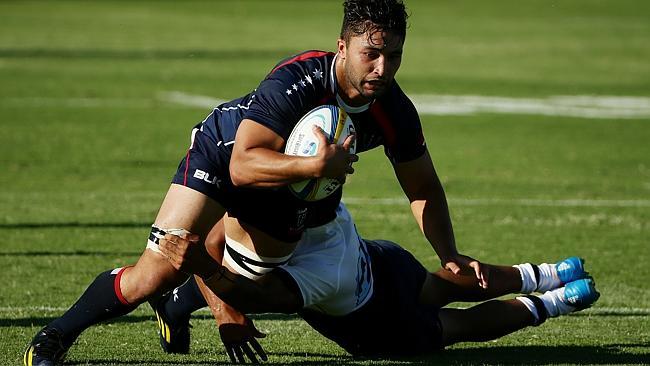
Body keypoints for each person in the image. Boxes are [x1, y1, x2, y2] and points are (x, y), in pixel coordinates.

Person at [24, 0, 487, 364]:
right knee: (156, 271)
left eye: (393, 56)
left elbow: (422, 187)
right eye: (371, 53)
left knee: (260, 274)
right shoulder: (298, 78)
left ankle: (180, 304)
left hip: (284, 182)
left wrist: (449, 255)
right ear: (342, 47)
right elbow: (244, 165)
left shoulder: (393, 109)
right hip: (225, 151)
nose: (382, 69)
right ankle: (54, 337)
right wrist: (313, 167)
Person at [156, 203, 600, 362]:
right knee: (446, 288)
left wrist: (209, 277)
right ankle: (551, 279)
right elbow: (246, 282)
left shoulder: (296, 255)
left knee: (456, 322)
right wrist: (213, 289)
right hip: (381, 272)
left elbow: (254, 292)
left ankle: (555, 298)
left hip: (373, 312)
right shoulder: (325, 209)